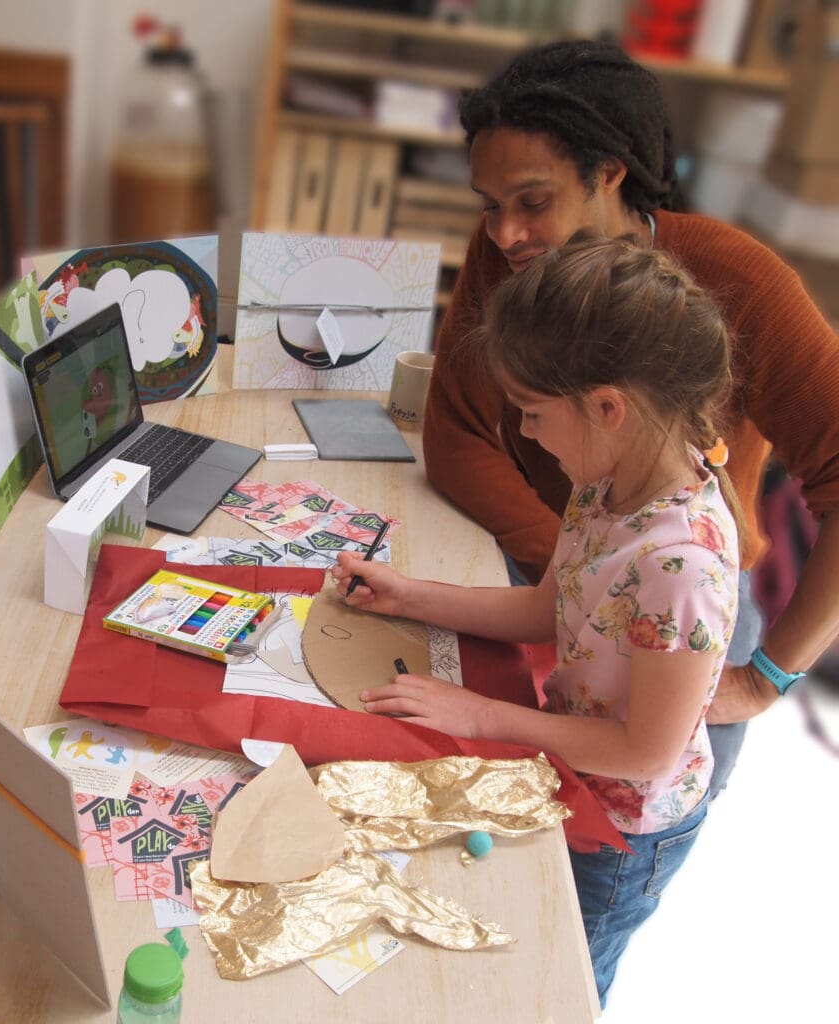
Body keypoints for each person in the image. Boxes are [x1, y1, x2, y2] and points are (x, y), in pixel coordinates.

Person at [422, 39, 839, 798]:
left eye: (533, 201)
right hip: (582, 571)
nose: (505, 234)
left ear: (609, 173)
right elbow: (454, 431)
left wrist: (772, 674)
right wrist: (583, 575)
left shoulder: (741, 282)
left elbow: (648, 753)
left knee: (622, 843)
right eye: (490, 207)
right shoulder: (513, 260)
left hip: (677, 606)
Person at [333, 233, 739, 1005]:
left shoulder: (682, 567)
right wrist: (408, 595)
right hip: (572, 769)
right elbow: (547, 610)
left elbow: (646, 754)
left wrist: (483, 715)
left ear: (607, 408)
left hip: (625, 829)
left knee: (563, 983)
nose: (525, 435)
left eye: (531, 413)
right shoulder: (605, 481)